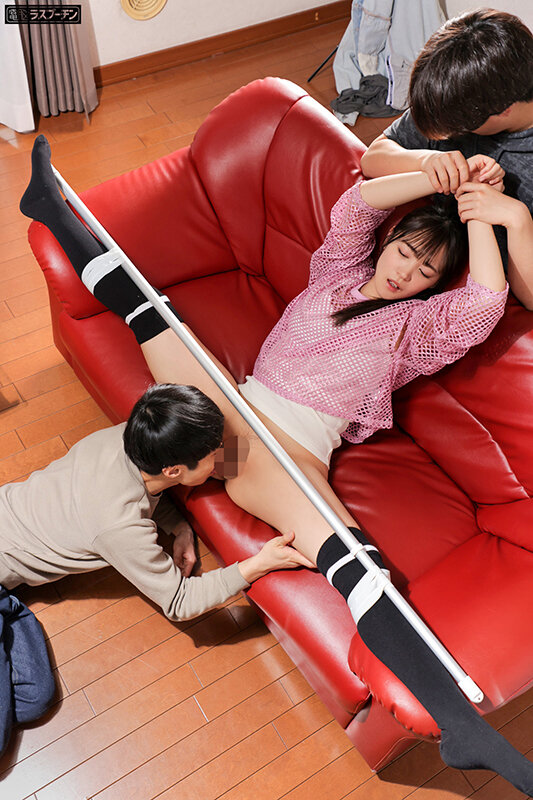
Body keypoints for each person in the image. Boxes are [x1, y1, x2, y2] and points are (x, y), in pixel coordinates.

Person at [20, 135, 533, 795]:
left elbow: (484, 301)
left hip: (289, 454)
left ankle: (459, 725)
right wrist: (434, 181)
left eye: (426, 272)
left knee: (358, 565)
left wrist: (478, 210)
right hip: (231, 417)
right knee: (150, 312)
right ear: (388, 243)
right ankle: (50, 208)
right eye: (404, 252)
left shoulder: (419, 330)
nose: (406, 273)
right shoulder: (336, 269)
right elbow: (359, 203)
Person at [0, 381, 312, 756]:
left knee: (33, 699)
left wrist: (178, 527)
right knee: (29, 706)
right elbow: (180, 603)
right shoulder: (118, 526)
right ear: (174, 469)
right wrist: (258, 564)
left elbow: (143, 493)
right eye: (215, 453)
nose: (224, 456)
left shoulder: (131, 437)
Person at [360, 8, 533, 309]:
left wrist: (516, 219)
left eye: (455, 129)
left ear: (504, 110)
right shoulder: (457, 94)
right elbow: (372, 158)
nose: (447, 134)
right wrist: (424, 162)